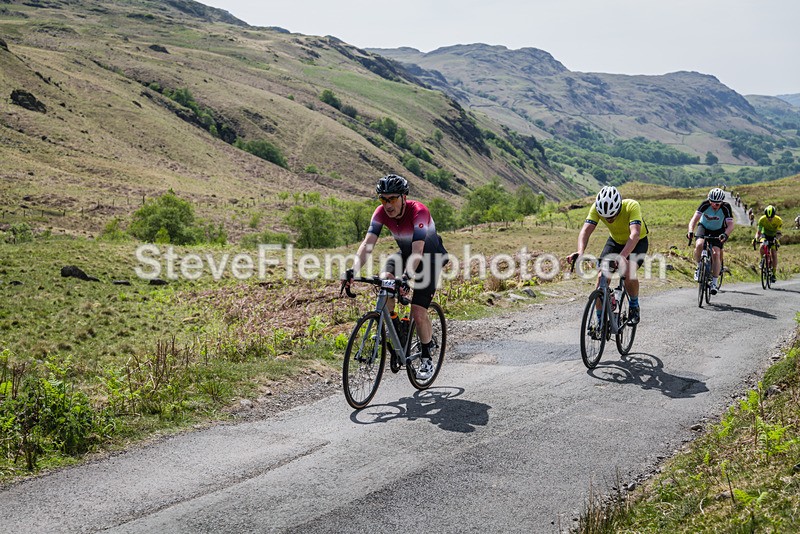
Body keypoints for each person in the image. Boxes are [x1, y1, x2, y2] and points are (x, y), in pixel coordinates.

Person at [344, 174, 448, 379]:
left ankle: (426, 357)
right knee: (385, 279)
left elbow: (418, 251)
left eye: (392, 198)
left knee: (418, 312)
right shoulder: (380, 212)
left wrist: (407, 277)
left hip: (430, 259)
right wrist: (352, 270)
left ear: (403, 197)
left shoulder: (419, 212)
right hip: (406, 254)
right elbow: (367, 244)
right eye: (383, 199)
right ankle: (398, 327)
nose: (388, 204)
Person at [569, 185, 649, 325]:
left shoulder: (632, 206)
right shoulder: (596, 208)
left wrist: (622, 256)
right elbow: (585, 231)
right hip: (615, 241)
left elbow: (635, 234)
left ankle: (634, 307)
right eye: (606, 217)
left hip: (637, 242)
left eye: (612, 216)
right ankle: (600, 323)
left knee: (628, 272)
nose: (609, 219)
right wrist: (580, 251)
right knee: (601, 279)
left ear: (618, 207)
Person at [687, 188, 734, 295]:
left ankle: (714, 283)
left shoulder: (726, 207)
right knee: (699, 244)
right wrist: (690, 231)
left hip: (718, 230)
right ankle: (699, 267)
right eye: (712, 202)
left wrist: (725, 234)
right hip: (704, 227)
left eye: (717, 204)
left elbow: (731, 225)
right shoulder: (704, 204)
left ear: (722, 202)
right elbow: (694, 220)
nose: (714, 205)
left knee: (716, 253)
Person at [753, 205, 783, 283]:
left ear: (774, 215)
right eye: (768, 217)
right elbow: (758, 232)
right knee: (762, 246)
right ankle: (762, 260)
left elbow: (779, 233)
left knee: (774, 253)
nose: (769, 219)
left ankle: (773, 274)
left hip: (774, 236)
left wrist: (776, 240)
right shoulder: (762, 219)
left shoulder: (778, 220)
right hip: (765, 235)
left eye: (771, 217)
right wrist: (755, 239)